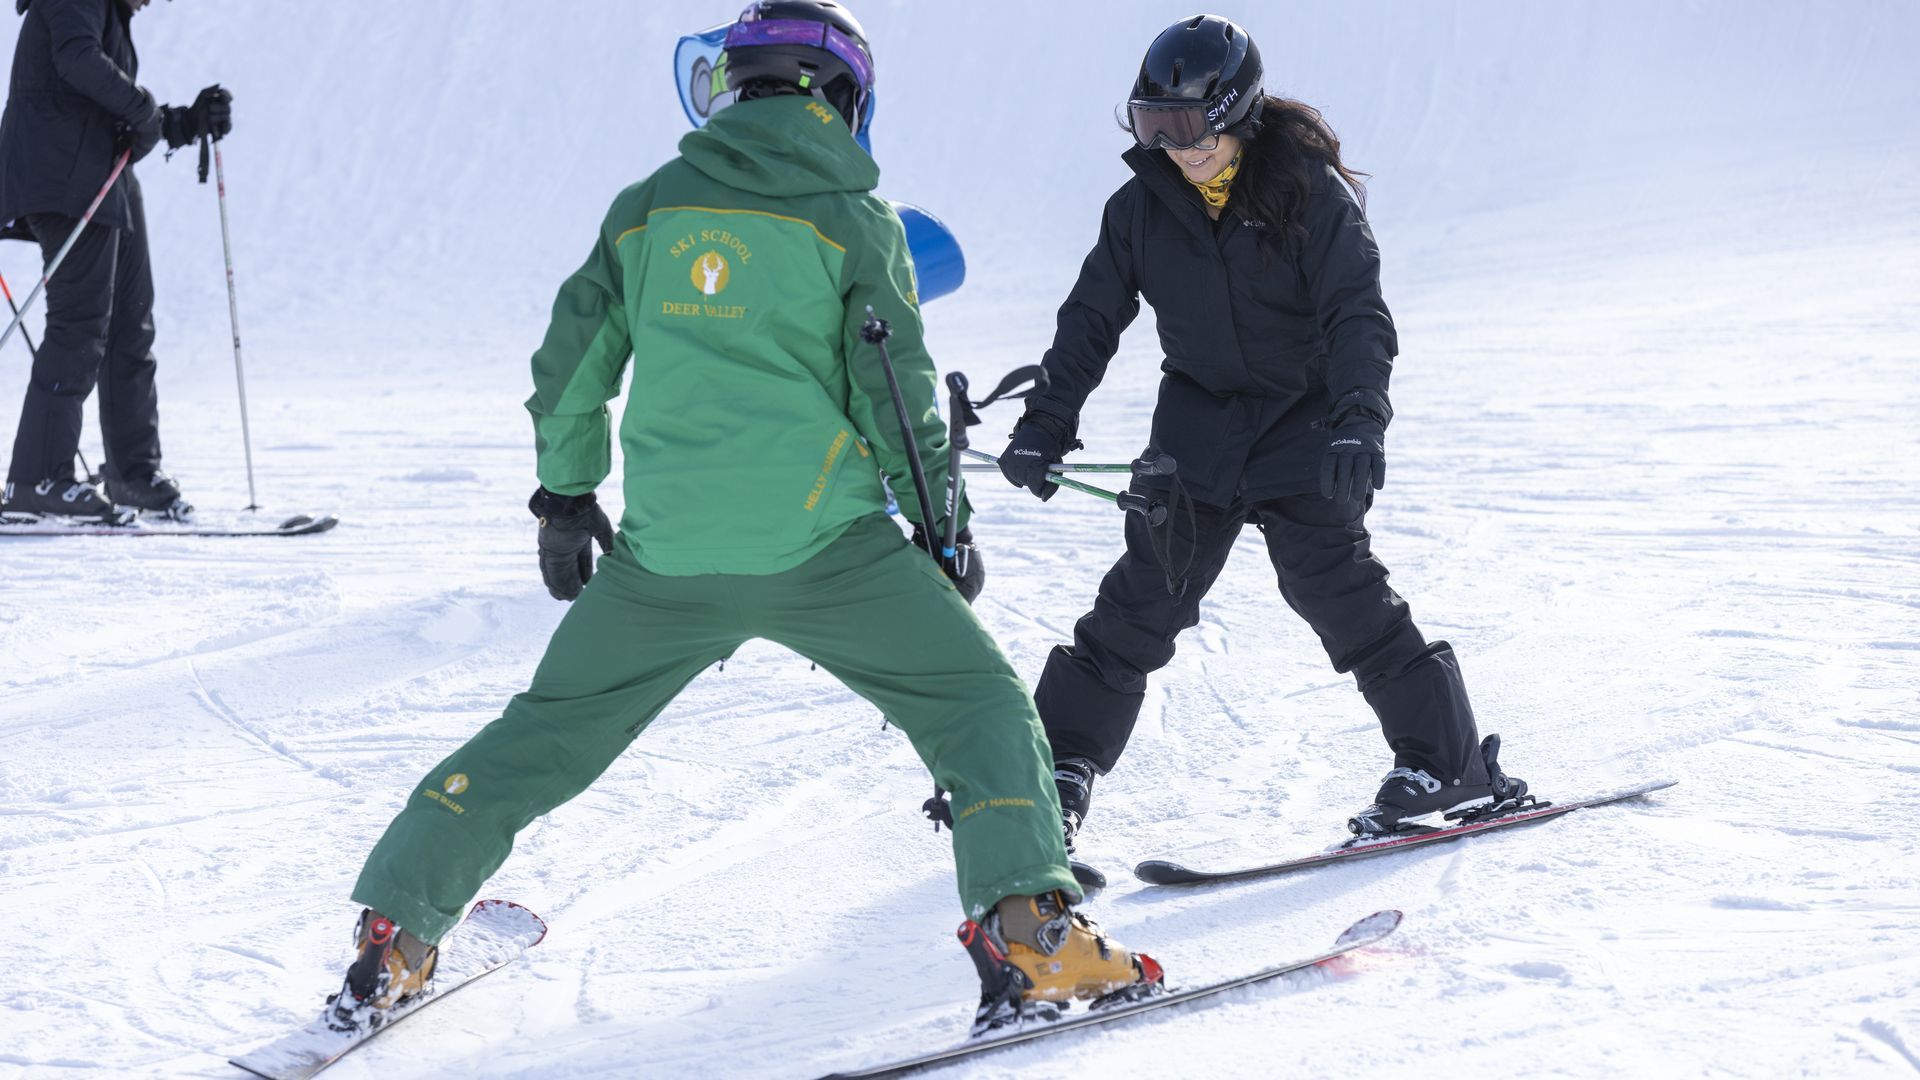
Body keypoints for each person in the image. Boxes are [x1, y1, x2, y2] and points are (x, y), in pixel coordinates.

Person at [330, 0, 1157, 1037]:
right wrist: (943, 530)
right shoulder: (858, 220)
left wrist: (566, 495)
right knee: (981, 709)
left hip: (666, 560)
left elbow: (571, 366)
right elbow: (894, 393)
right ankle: (1036, 941)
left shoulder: (646, 209)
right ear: (844, 95)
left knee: (542, 737)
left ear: (735, 83)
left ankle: (394, 938)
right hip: (827, 551)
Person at [998, 15, 1527, 846]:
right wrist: (1045, 421)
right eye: (1153, 126)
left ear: (1238, 114)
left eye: (1189, 128)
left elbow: (1359, 314)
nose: (1176, 146)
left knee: (1339, 592)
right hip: (1198, 434)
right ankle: (1049, 774)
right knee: (1140, 604)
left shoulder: (1307, 193)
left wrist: (1360, 419)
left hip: (1304, 427)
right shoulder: (1138, 210)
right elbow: (1091, 319)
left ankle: (1449, 766)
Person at [0, 0, 231, 523]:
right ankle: (36, 479)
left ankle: (132, 472)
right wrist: (145, 109)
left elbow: (112, 117)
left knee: (130, 324)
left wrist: (183, 122)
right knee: (79, 325)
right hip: (61, 177)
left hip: (101, 178)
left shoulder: (113, 12)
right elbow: (78, 59)